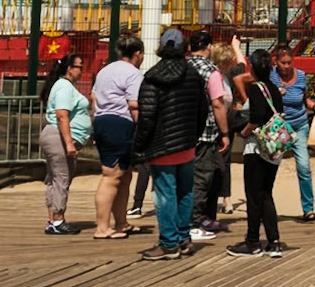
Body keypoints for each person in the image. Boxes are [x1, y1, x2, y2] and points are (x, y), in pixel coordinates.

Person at [132, 28, 209, 261]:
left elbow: (147, 116)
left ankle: (168, 243)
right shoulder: (193, 75)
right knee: (185, 191)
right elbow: (202, 109)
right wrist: (193, 135)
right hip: (186, 144)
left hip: (161, 145)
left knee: (164, 194)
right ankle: (184, 239)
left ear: (161, 47)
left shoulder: (152, 77)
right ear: (185, 47)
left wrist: (139, 145)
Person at [228, 49, 287, 258]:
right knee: (266, 194)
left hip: (256, 147)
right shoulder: (274, 88)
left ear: (252, 67)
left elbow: (256, 117)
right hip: (274, 149)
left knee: (253, 195)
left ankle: (252, 241)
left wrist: (243, 134)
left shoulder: (255, 88)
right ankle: (274, 241)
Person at [270, 44, 315, 223]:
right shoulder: (271, 77)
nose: (286, 66)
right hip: (279, 128)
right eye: (283, 63)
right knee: (271, 168)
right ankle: (265, 207)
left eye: (289, 62)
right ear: (276, 62)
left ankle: (308, 209)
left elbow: (304, 99)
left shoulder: (300, 77)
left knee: (304, 167)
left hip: (299, 125)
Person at [90, 35, 143, 239]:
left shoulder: (105, 70)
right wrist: (143, 130)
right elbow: (134, 104)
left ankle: (121, 223)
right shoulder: (133, 74)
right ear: (138, 53)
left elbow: (94, 97)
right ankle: (102, 227)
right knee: (111, 175)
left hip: (103, 120)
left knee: (125, 174)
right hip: (120, 123)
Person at [39, 53, 90, 235]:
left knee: (55, 178)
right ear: (69, 69)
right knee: (62, 177)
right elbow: (62, 115)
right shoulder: (64, 87)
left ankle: (53, 219)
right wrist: (69, 143)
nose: (82, 71)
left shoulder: (65, 87)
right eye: (79, 67)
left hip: (56, 137)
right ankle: (58, 219)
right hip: (58, 138)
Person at [188, 33, 231, 241]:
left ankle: (198, 217)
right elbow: (217, 104)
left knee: (187, 176)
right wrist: (225, 133)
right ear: (209, 47)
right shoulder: (211, 72)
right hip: (205, 132)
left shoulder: (183, 66)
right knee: (203, 177)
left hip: (182, 130)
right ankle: (194, 222)